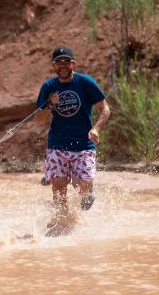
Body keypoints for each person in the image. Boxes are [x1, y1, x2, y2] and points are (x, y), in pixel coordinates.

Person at [35, 46, 110, 227]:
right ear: (53, 65)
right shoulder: (48, 87)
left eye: (66, 61)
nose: (62, 65)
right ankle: (64, 223)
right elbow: (39, 120)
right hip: (57, 144)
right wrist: (50, 105)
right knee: (59, 185)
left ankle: (88, 188)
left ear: (73, 64)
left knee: (79, 186)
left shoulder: (86, 82)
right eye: (58, 62)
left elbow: (105, 110)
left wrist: (96, 129)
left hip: (83, 144)